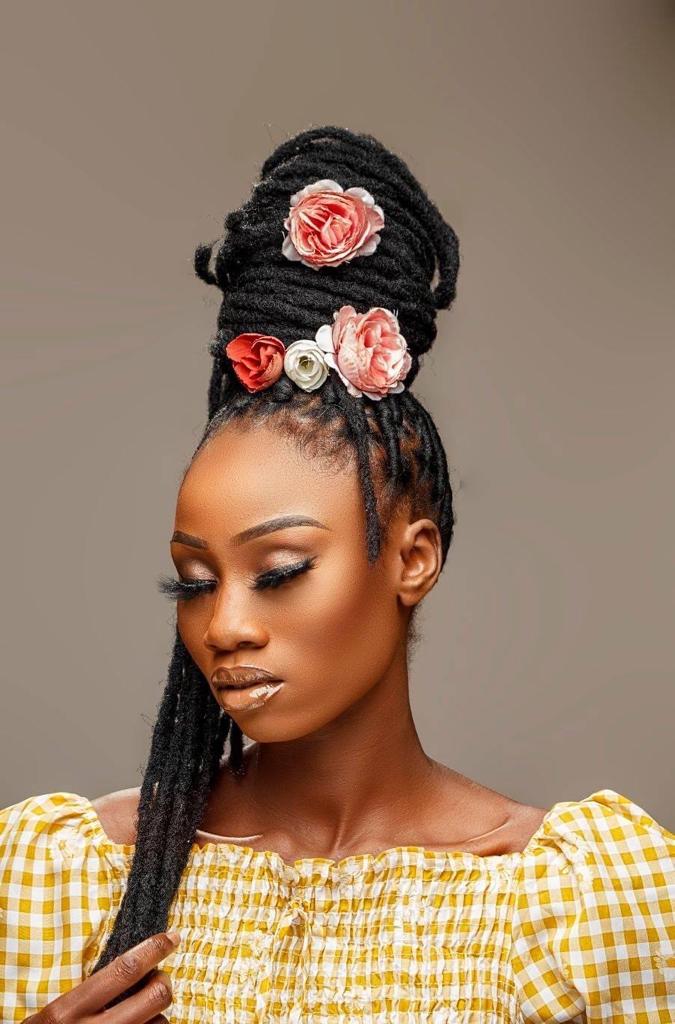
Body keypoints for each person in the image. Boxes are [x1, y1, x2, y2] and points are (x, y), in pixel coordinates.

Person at [1, 125, 673, 1024]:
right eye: (193, 582)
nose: (224, 625)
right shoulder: (59, 878)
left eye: (279, 572)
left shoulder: (573, 905)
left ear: (413, 559)